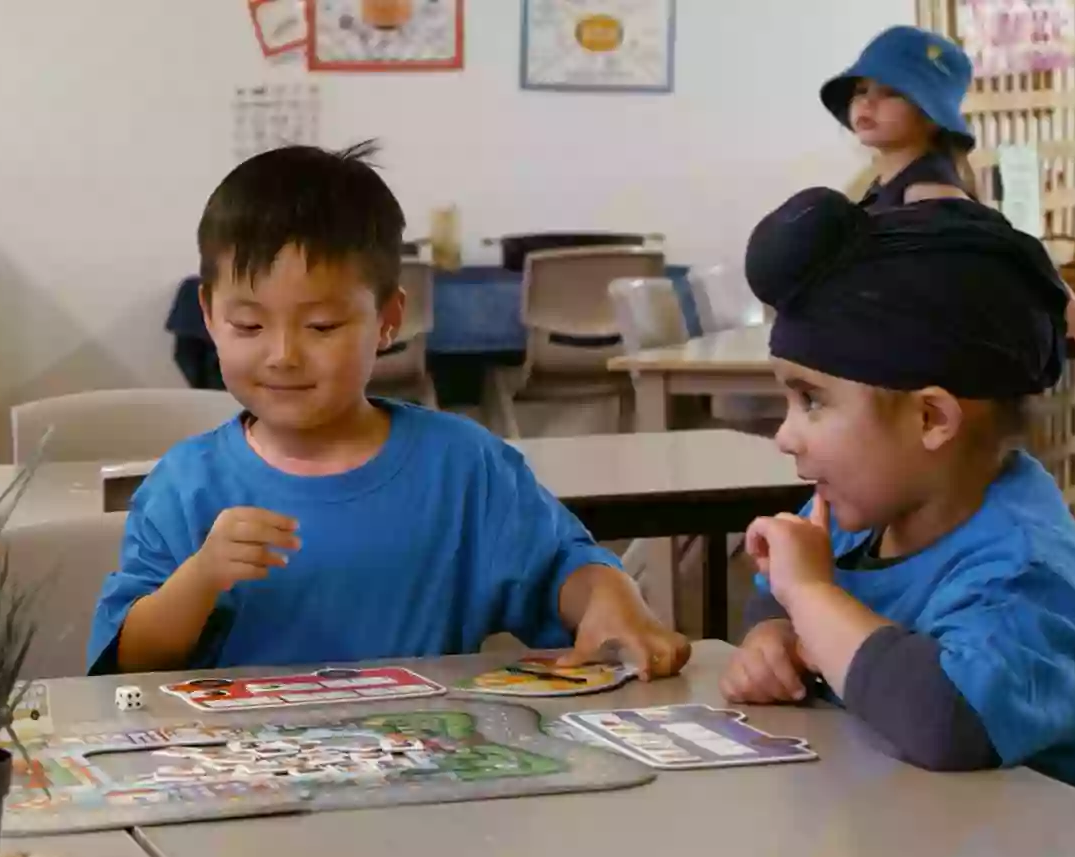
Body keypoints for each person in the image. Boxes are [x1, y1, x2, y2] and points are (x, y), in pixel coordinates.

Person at [88, 143, 689, 676]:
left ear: (390, 320)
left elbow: (564, 569)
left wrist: (611, 595)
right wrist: (200, 578)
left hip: (426, 779)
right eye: (248, 324)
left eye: (322, 325)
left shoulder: (464, 467)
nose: (282, 355)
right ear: (209, 315)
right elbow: (130, 662)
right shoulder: (187, 485)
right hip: (244, 784)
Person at [721, 187, 1075, 813]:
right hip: (919, 856)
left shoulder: (1029, 572)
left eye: (811, 400)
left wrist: (811, 595)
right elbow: (779, 595)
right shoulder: (858, 523)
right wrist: (775, 633)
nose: (784, 436)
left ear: (930, 419)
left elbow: (948, 720)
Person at [822, 24, 1075, 375]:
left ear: (931, 115)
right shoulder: (881, 184)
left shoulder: (926, 190)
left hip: (935, 371)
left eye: (891, 92)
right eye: (861, 90)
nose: (867, 102)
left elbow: (1013, 250)